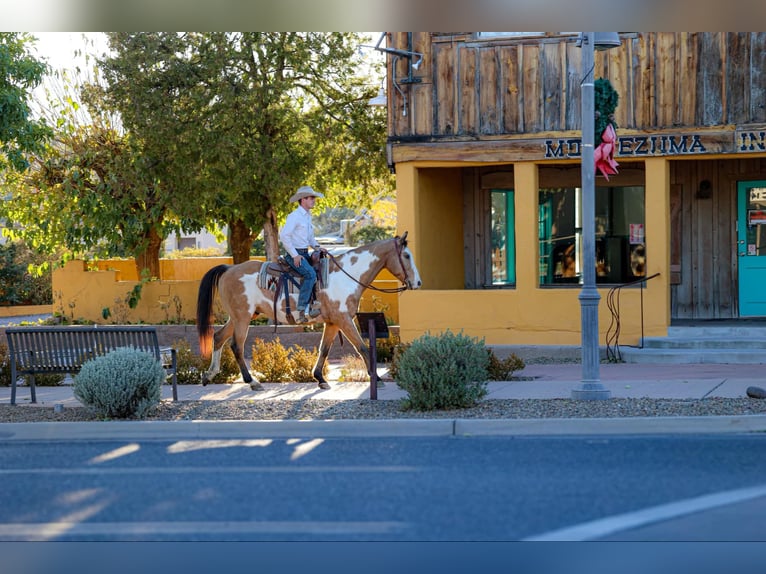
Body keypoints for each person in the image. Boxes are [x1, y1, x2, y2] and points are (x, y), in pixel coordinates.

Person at [279, 185, 326, 323]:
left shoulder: (307, 217)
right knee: (310, 274)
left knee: (320, 270)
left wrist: (318, 247)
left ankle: (315, 303)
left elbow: (310, 238)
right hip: (294, 254)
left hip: (305, 253)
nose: (313, 200)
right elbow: (284, 236)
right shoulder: (295, 216)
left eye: (313, 198)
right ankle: (302, 310)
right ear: (303, 199)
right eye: (311, 198)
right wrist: (294, 255)